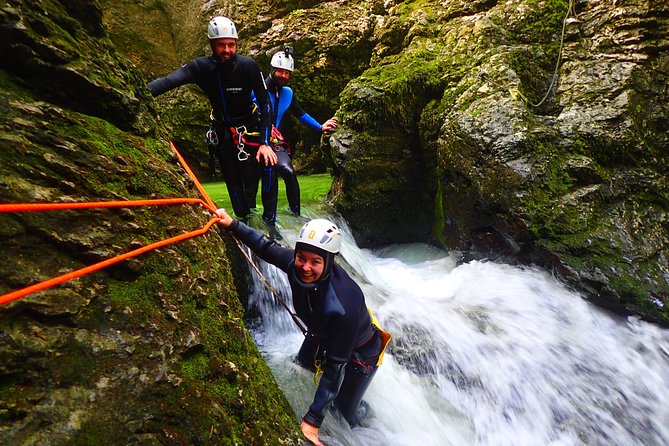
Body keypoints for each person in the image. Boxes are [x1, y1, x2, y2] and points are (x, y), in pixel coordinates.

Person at [215, 208, 390, 446]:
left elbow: (335, 367)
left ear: (329, 261)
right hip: (322, 334)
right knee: (301, 367)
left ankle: (363, 411)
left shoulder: (346, 302)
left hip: (361, 352)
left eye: (315, 262)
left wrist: (312, 421)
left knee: (344, 413)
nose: (305, 267)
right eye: (301, 258)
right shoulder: (293, 264)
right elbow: (265, 247)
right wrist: (233, 224)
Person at [147, 16, 279, 226]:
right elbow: (167, 82)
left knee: (255, 177)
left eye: (231, 45)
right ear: (212, 45)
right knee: (233, 183)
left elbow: (266, 104)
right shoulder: (201, 67)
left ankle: (270, 226)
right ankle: (244, 224)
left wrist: (265, 143)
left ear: (236, 44)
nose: (227, 50)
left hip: (250, 130)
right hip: (224, 133)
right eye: (221, 45)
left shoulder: (248, 66)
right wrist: (138, 92)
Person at [259, 47, 338, 215]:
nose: (284, 76)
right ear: (272, 70)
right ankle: (257, 219)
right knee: (262, 180)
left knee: (288, 172)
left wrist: (320, 127)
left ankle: (296, 216)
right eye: (280, 71)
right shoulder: (257, 89)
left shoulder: (287, 93)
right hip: (253, 141)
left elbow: (300, 114)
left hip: (273, 143)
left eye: (287, 73)